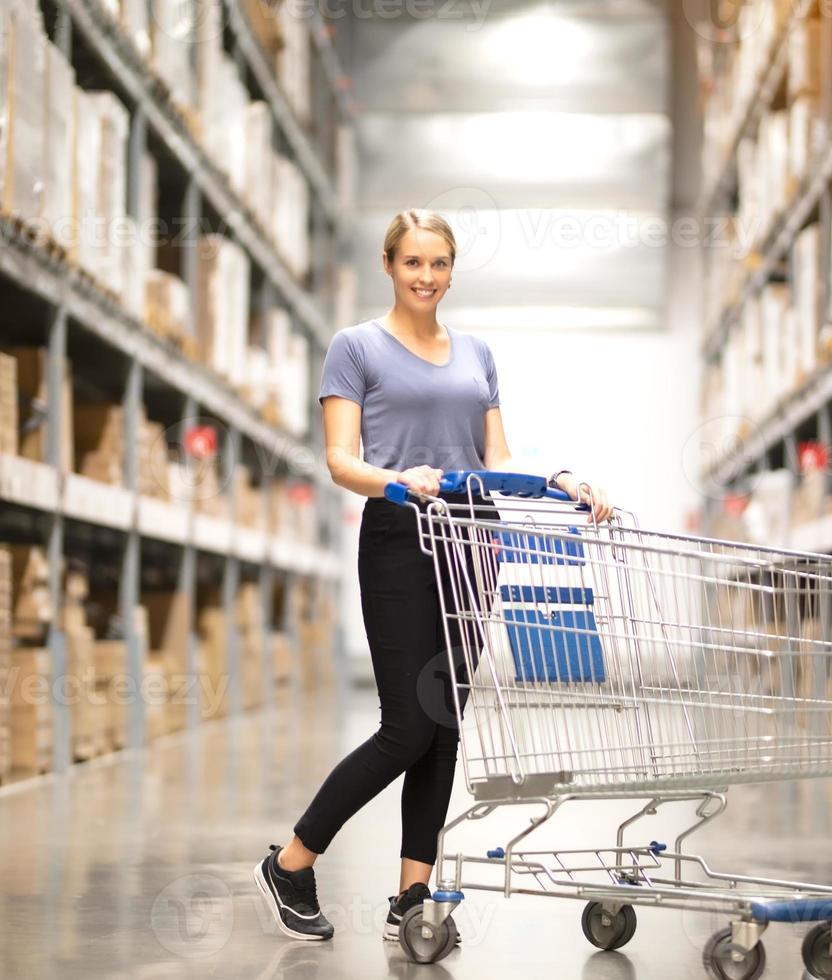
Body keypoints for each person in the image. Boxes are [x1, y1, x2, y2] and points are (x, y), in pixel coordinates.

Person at [255, 208, 614, 942]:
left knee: (443, 726)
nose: (426, 277)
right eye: (413, 263)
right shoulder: (354, 347)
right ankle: (292, 861)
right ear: (388, 265)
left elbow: (493, 461)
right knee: (405, 727)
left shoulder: (477, 352)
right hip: (398, 538)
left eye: (439, 264)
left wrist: (559, 479)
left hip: (471, 540)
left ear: (452, 270)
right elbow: (338, 460)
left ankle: (409, 898)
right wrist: (397, 482)